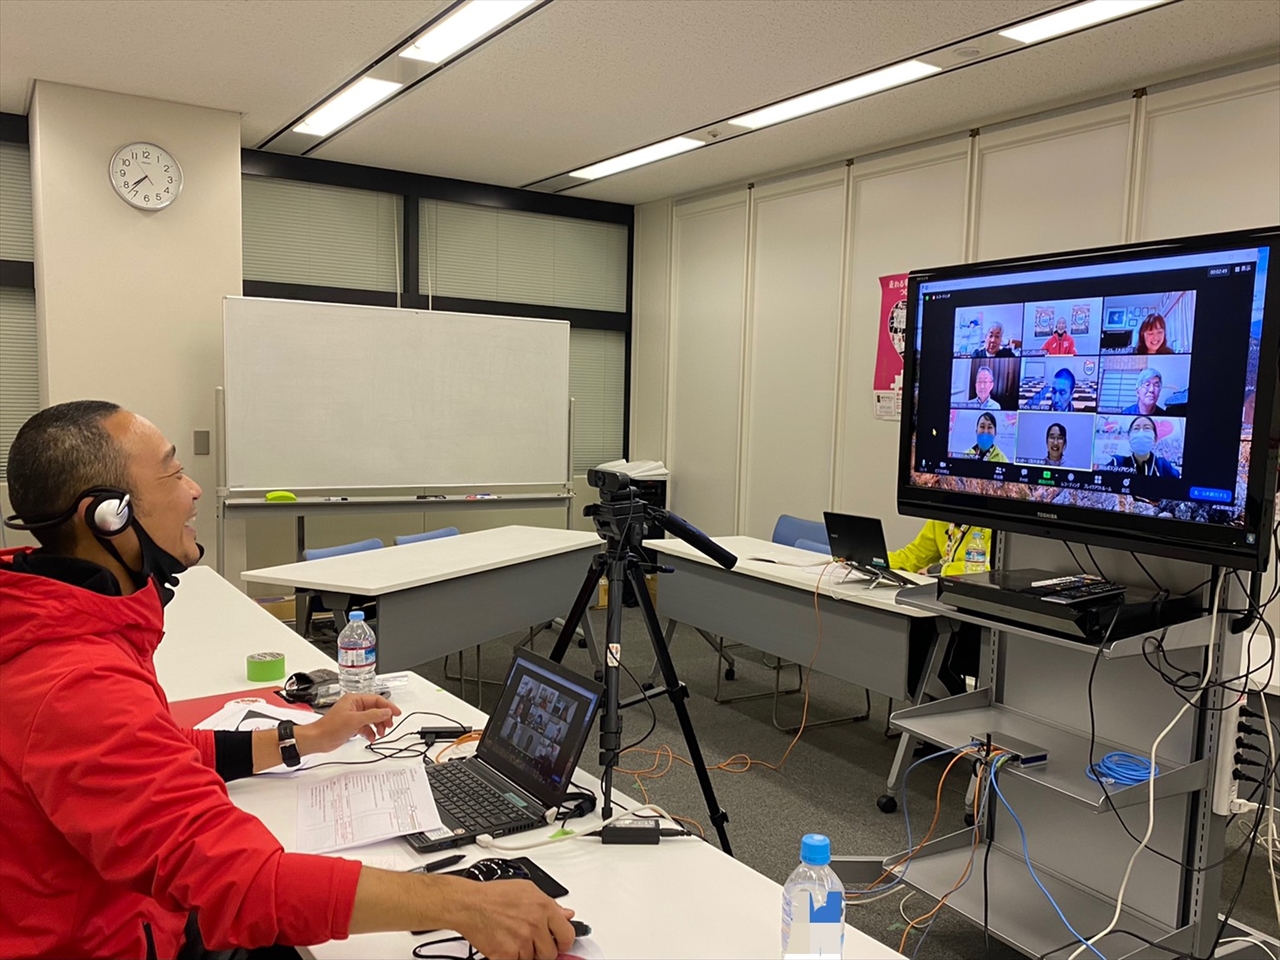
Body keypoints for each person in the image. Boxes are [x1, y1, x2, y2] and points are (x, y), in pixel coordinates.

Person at [0, 401, 576, 960]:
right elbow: (240, 883)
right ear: (109, 516)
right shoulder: (73, 683)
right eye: (173, 473)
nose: (194, 489)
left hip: (134, 921)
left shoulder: (65, 620)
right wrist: (464, 903)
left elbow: (162, 750)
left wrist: (305, 739)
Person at [888, 520, 991, 697]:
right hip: (942, 606)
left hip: (978, 613)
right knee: (915, 634)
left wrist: (939, 568)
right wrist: (876, 559)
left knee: (924, 645)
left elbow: (986, 568)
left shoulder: (991, 526)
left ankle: (951, 700)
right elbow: (913, 556)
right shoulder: (940, 520)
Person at [1108, 414, 1180, 477]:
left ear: (1155, 439)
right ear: (1129, 437)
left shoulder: (1164, 466)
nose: (1141, 433)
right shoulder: (1116, 463)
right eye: (1136, 428)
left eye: (1147, 428)